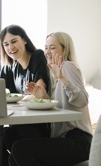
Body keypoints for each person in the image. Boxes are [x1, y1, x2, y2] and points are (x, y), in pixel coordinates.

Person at [0, 24, 51, 165]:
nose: (10, 48)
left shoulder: (38, 56)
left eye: (14, 41)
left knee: (10, 138)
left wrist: (29, 95)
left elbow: (40, 90)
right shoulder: (10, 67)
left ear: (24, 40)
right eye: (6, 44)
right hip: (18, 123)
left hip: (37, 125)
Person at [9, 32, 93, 166]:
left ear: (64, 49)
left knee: (20, 149)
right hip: (65, 139)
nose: (47, 52)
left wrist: (63, 78)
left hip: (79, 141)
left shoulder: (67, 67)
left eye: (52, 47)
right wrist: (44, 97)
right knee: (14, 152)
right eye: (46, 47)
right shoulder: (56, 74)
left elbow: (82, 100)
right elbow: (62, 108)